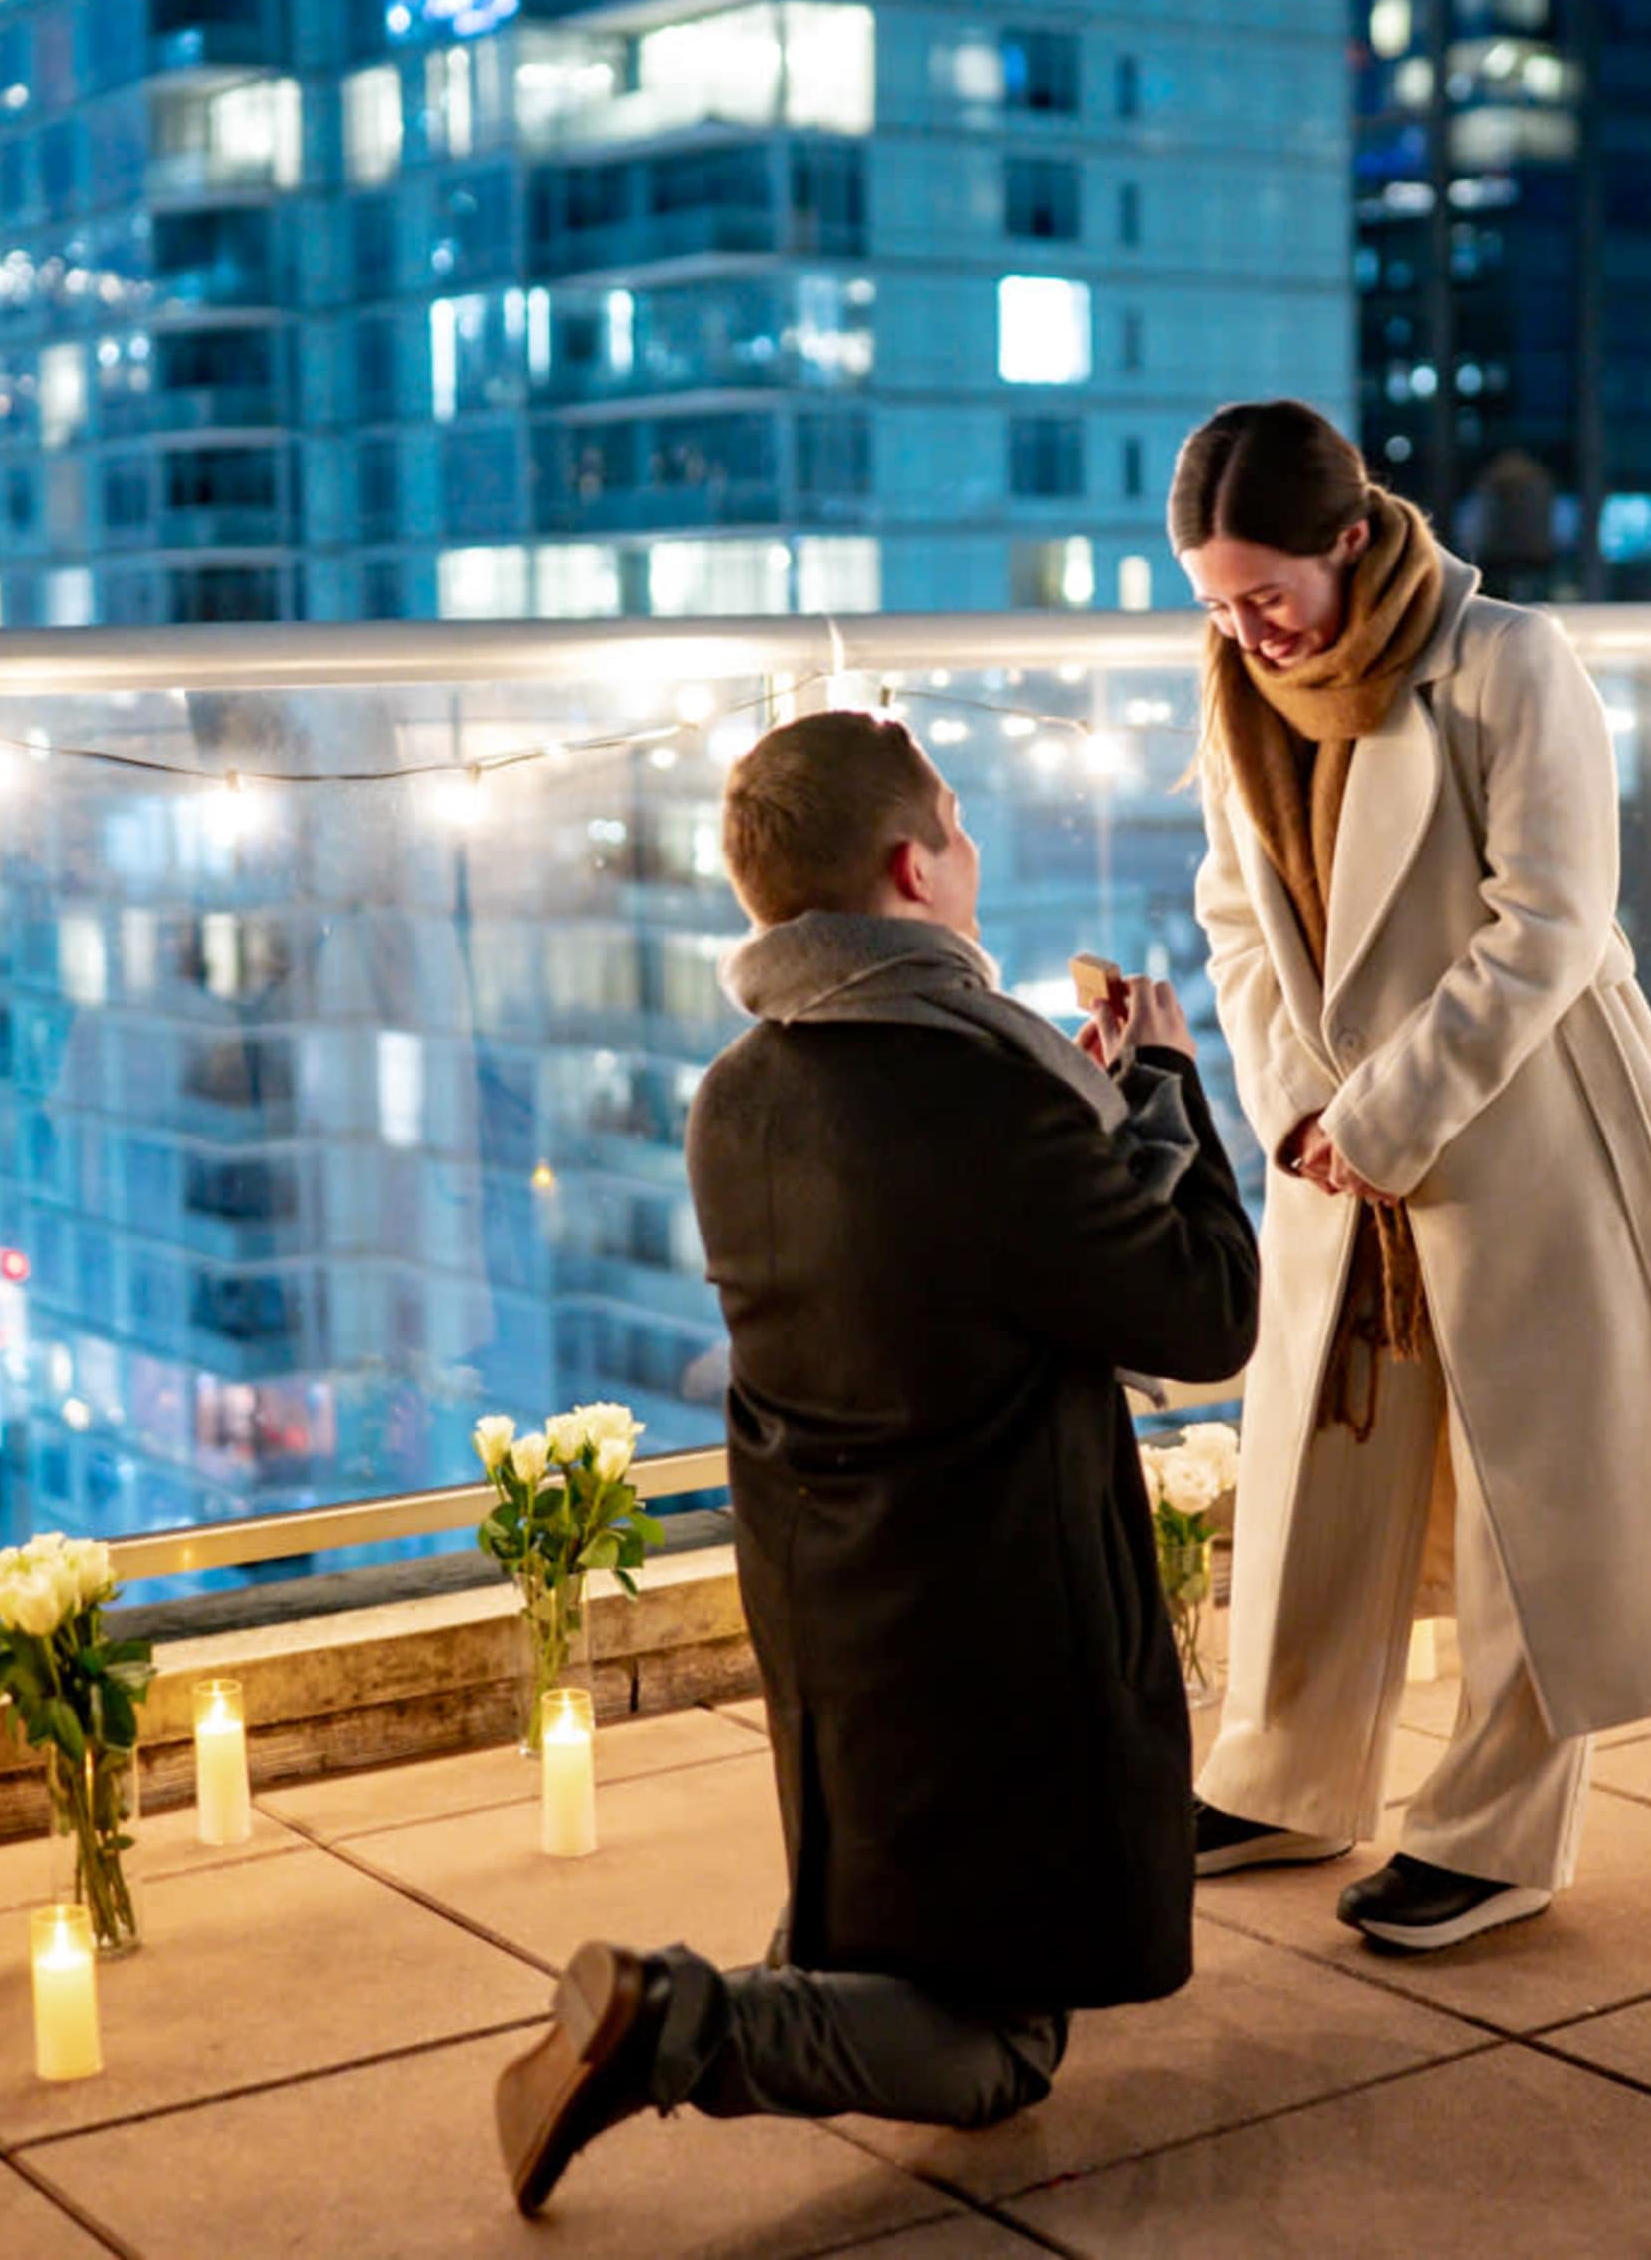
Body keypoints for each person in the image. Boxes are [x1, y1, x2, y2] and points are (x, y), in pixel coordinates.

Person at [495, 707, 1262, 2215]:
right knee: (1004, 2044)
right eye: (961, 827)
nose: (972, 853)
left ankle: (781, 1987)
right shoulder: (989, 1092)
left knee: (897, 1919)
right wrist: (1164, 1090)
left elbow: (966, 1267)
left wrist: (1089, 1129)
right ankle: (680, 2022)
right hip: (1000, 1611)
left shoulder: (740, 1095)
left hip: (833, 1597)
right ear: (914, 867)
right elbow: (1201, 1309)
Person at [1172, 398, 1651, 1953]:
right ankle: (1283, 1774)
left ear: (1353, 535)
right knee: (1318, 1473)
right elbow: (1227, 913)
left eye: (1266, 590)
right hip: (1338, 1137)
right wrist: (1296, 1110)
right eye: (1213, 597)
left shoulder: (1508, 661)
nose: (1246, 628)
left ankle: (1493, 1834)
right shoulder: (1235, 684)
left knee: (1530, 1487)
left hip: (1528, 1124)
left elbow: (1547, 925)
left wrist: (1388, 1113)